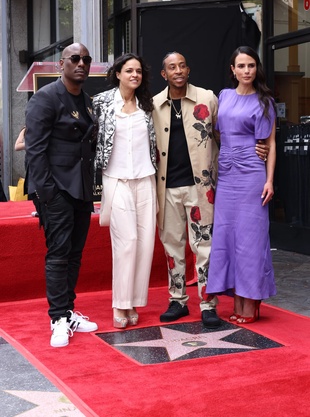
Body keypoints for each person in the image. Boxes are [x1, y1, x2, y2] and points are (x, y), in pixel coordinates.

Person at [152, 51, 269, 328]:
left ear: (188, 69)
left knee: (205, 246)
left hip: (200, 185)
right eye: (172, 67)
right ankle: (177, 300)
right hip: (167, 186)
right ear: (164, 74)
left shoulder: (208, 98)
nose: (178, 70)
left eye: (182, 65)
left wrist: (255, 146)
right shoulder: (154, 104)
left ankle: (208, 303)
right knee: (172, 246)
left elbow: (224, 133)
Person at [25, 43, 98, 347]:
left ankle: (67, 312)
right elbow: (34, 151)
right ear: (61, 64)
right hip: (56, 190)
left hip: (80, 189)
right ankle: (57, 319)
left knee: (74, 254)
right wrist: (47, 194)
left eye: (86, 59)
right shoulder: (45, 98)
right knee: (58, 254)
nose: (81, 64)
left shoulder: (86, 100)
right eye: (75, 59)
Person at [206, 46, 277, 324]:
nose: (247, 70)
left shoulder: (265, 101)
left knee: (251, 239)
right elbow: (218, 131)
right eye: (241, 66)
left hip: (252, 174)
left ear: (256, 68)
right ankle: (236, 301)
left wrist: (270, 180)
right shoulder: (223, 96)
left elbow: (270, 145)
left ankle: (251, 303)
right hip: (227, 173)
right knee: (227, 237)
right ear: (233, 70)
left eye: (251, 65)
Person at [93, 53, 157, 329]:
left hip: (145, 178)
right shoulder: (101, 103)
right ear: (117, 73)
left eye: (138, 71)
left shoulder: (148, 105)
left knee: (144, 244)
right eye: (129, 70)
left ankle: (133, 301)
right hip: (115, 178)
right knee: (127, 241)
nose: (134, 75)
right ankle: (119, 304)